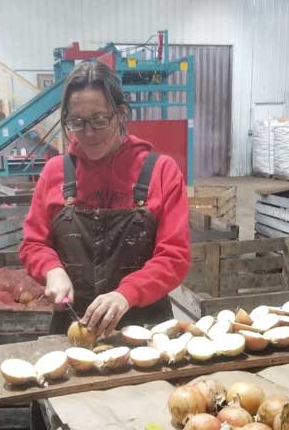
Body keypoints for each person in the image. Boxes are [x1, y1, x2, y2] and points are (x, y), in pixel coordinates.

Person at [19, 61, 191, 338]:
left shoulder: (161, 171)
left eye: (99, 120)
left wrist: (127, 293)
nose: (88, 133)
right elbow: (33, 244)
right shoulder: (55, 173)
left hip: (146, 328)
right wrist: (51, 270)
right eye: (77, 122)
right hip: (75, 327)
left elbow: (175, 257)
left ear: (121, 114)